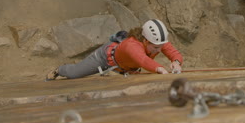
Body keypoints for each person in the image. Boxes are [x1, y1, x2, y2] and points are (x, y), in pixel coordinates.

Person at [45, 19, 183, 81]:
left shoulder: (157, 41)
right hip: (104, 58)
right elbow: (142, 60)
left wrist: (176, 62)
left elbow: (173, 52)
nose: (159, 50)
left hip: (126, 67)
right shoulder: (132, 45)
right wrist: (160, 69)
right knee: (74, 73)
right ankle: (59, 70)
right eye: (156, 47)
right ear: (145, 40)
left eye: (160, 47)